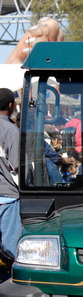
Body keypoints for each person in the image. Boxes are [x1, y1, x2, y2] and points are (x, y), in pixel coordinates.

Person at [0, 88, 22, 257]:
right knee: (10, 248)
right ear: (11, 105)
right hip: (7, 197)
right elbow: (16, 165)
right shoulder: (11, 130)